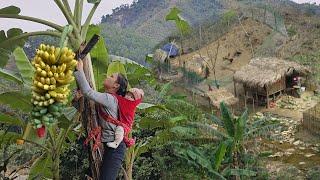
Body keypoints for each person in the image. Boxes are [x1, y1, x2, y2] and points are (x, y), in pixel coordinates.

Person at [74, 60, 143, 180]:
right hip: (105, 145)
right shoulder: (106, 99)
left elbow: (88, 91)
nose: (108, 76)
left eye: (111, 76)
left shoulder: (110, 99)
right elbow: (88, 110)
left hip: (115, 148)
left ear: (116, 85)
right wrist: (76, 99)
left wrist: (79, 70)